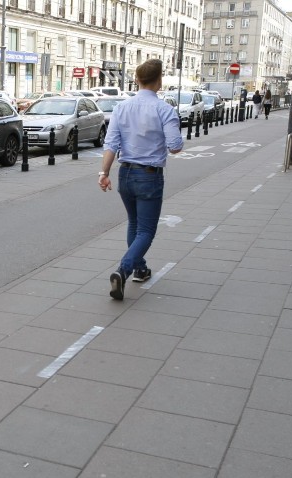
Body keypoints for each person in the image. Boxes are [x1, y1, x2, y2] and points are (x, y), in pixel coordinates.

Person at [99, 58, 183, 300]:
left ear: (136, 80)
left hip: (124, 172)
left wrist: (103, 173)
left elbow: (111, 144)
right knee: (146, 230)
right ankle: (122, 271)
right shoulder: (164, 109)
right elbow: (175, 146)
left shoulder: (121, 108)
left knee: (134, 224)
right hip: (149, 175)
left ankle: (140, 269)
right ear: (159, 80)